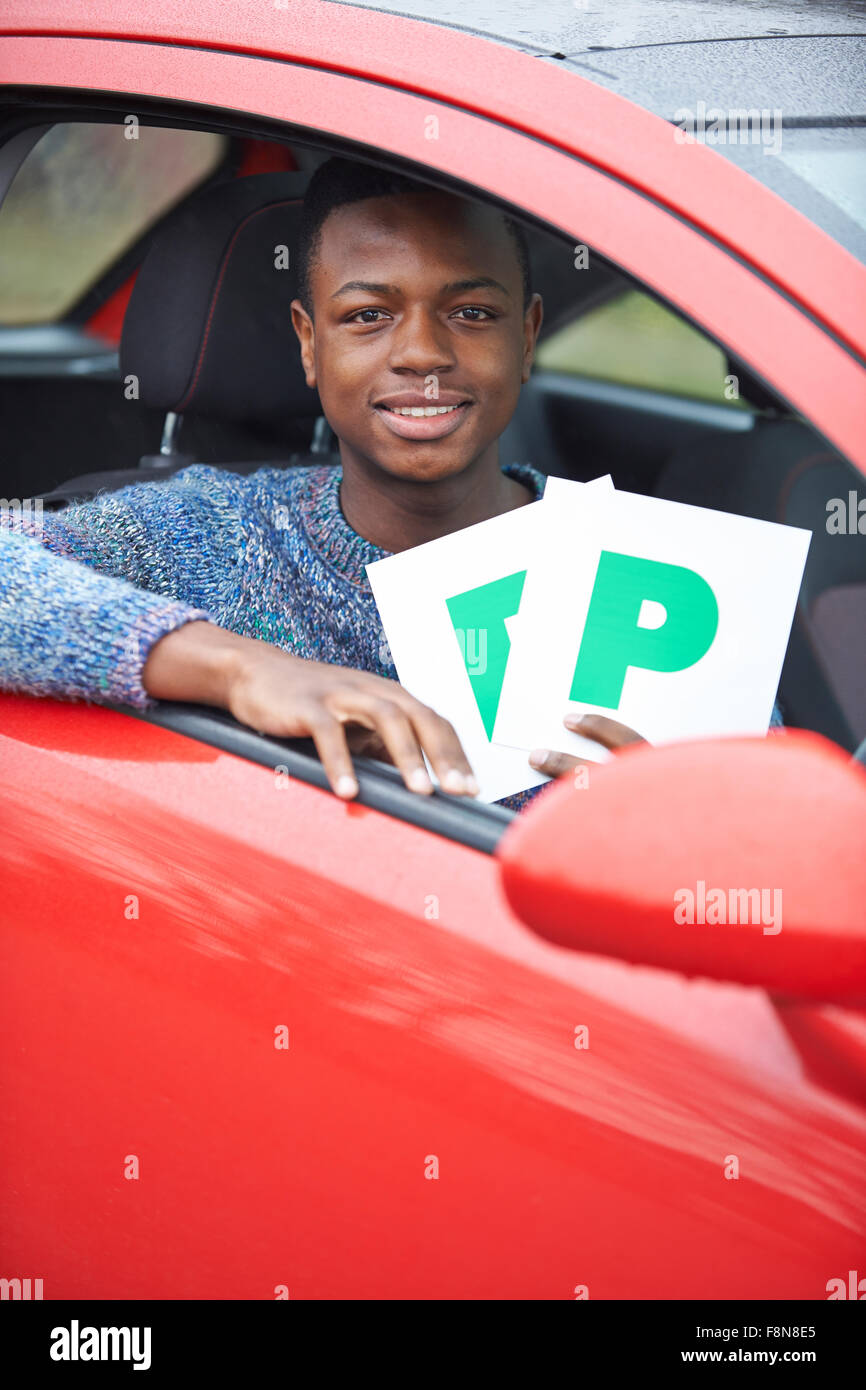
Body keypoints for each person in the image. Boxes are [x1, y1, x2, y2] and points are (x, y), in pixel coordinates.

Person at [0, 158, 771, 810]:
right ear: (309, 344)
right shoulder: (208, 537)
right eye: (369, 315)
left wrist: (692, 832)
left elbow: (781, 875)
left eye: (470, 312)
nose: (423, 354)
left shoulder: (668, 582)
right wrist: (238, 667)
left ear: (528, 335)